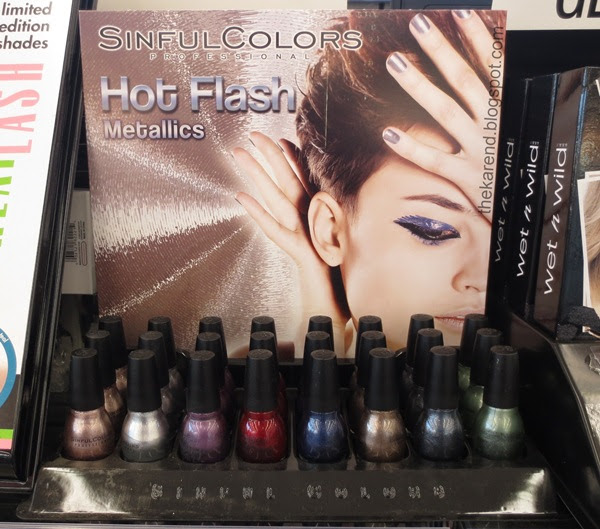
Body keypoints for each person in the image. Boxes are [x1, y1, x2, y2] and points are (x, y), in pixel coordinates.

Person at [233, 10, 504, 355]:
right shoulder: (250, 372)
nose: (483, 280)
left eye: (510, 238)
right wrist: (319, 343)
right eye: (435, 231)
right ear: (330, 232)